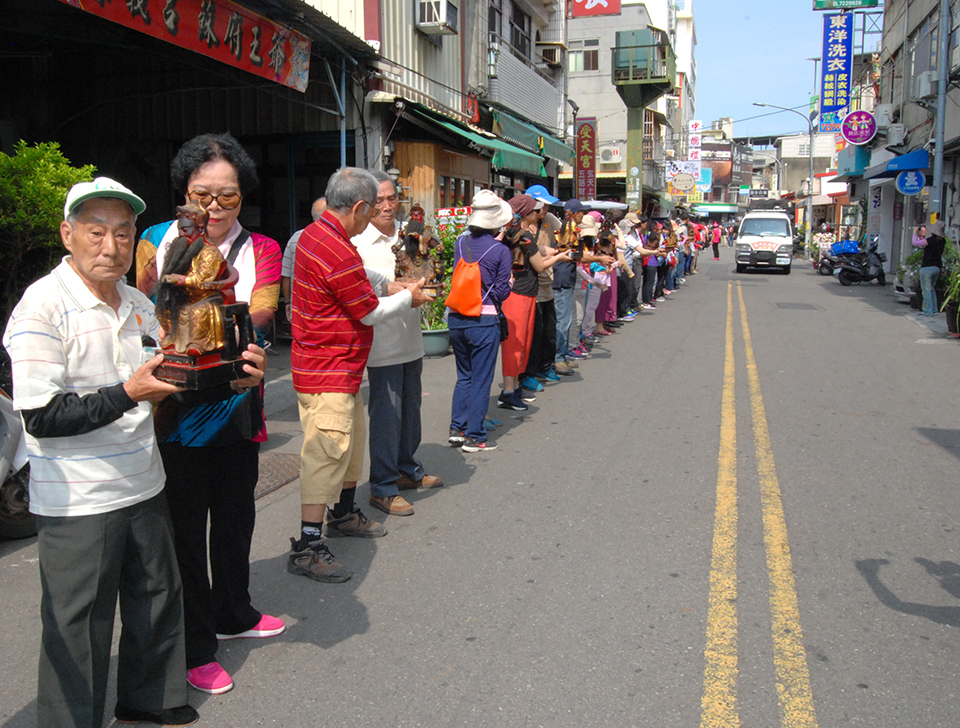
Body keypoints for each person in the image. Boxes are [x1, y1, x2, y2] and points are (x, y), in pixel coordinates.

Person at [3, 178, 199, 727]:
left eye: (122, 232)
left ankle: (149, 699)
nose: (110, 246)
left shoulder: (138, 302)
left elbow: (164, 376)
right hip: (77, 498)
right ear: (68, 235)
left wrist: (224, 371)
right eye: (96, 232)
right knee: (77, 621)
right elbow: (42, 415)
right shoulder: (41, 305)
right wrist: (128, 393)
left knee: (156, 595)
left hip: (142, 479)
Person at [136, 132, 282, 696]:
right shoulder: (153, 241)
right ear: (184, 194)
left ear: (242, 196)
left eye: (227, 197)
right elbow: (141, 312)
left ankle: (234, 611)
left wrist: (250, 350)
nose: (214, 209)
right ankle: (195, 644)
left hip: (239, 401)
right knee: (184, 530)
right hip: (172, 406)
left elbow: (263, 313)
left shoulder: (261, 249)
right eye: (202, 196)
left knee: (235, 515)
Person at [287, 167, 431, 583]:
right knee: (325, 455)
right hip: (326, 369)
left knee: (351, 446)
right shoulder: (333, 245)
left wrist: (392, 284)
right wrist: (407, 295)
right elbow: (367, 312)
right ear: (360, 206)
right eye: (371, 210)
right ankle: (307, 546)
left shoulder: (325, 236)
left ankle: (344, 512)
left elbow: (358, 281)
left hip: (339, 368)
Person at [354, 170, 443, 520]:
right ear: (366, 204)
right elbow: (366, 295)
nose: (388, 206)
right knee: (387, 417)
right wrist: (405, 292)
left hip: (411, 339)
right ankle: (383, 487)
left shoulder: (411, 235)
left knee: (410, 415)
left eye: (392, 198)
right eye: (379, 200)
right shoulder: (359, 243)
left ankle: (407, 468)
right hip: (382, 344)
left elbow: (429, 269)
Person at [448, 190, 514, 451]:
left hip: (456, 318)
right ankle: (475, 435)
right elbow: (499, 293)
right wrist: (509, 283)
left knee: (464, 375)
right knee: (481, 378)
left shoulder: (460, 244)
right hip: (483, 321)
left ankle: (457, 427)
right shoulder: (501, 250)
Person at [497, 194, 570, 411]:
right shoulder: (518, 236)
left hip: (527, 292)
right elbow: (539, 265)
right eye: (535, 211)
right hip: (517, 294)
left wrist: (554, 254)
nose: (538, 214)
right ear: (526, 214)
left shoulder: (520, 234)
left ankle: (516, 386)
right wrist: (560, 257)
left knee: (524, 342)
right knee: (515, 343)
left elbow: (537, 258)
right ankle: (509, 391)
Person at [282, 197, 326, 322]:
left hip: (299, 311)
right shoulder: (336, 239)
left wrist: (287, 302)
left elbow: (285, 275)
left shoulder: (296, 237)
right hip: (325, 314)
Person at [919, 220, 947, 317]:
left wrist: (916, 234)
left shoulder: (930, 240)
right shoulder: (943, 241)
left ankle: (928, 311)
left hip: (927, 267)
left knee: (926, 290)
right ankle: (934, 309)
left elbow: (916, 242)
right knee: (932, 289)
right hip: (937, 267)